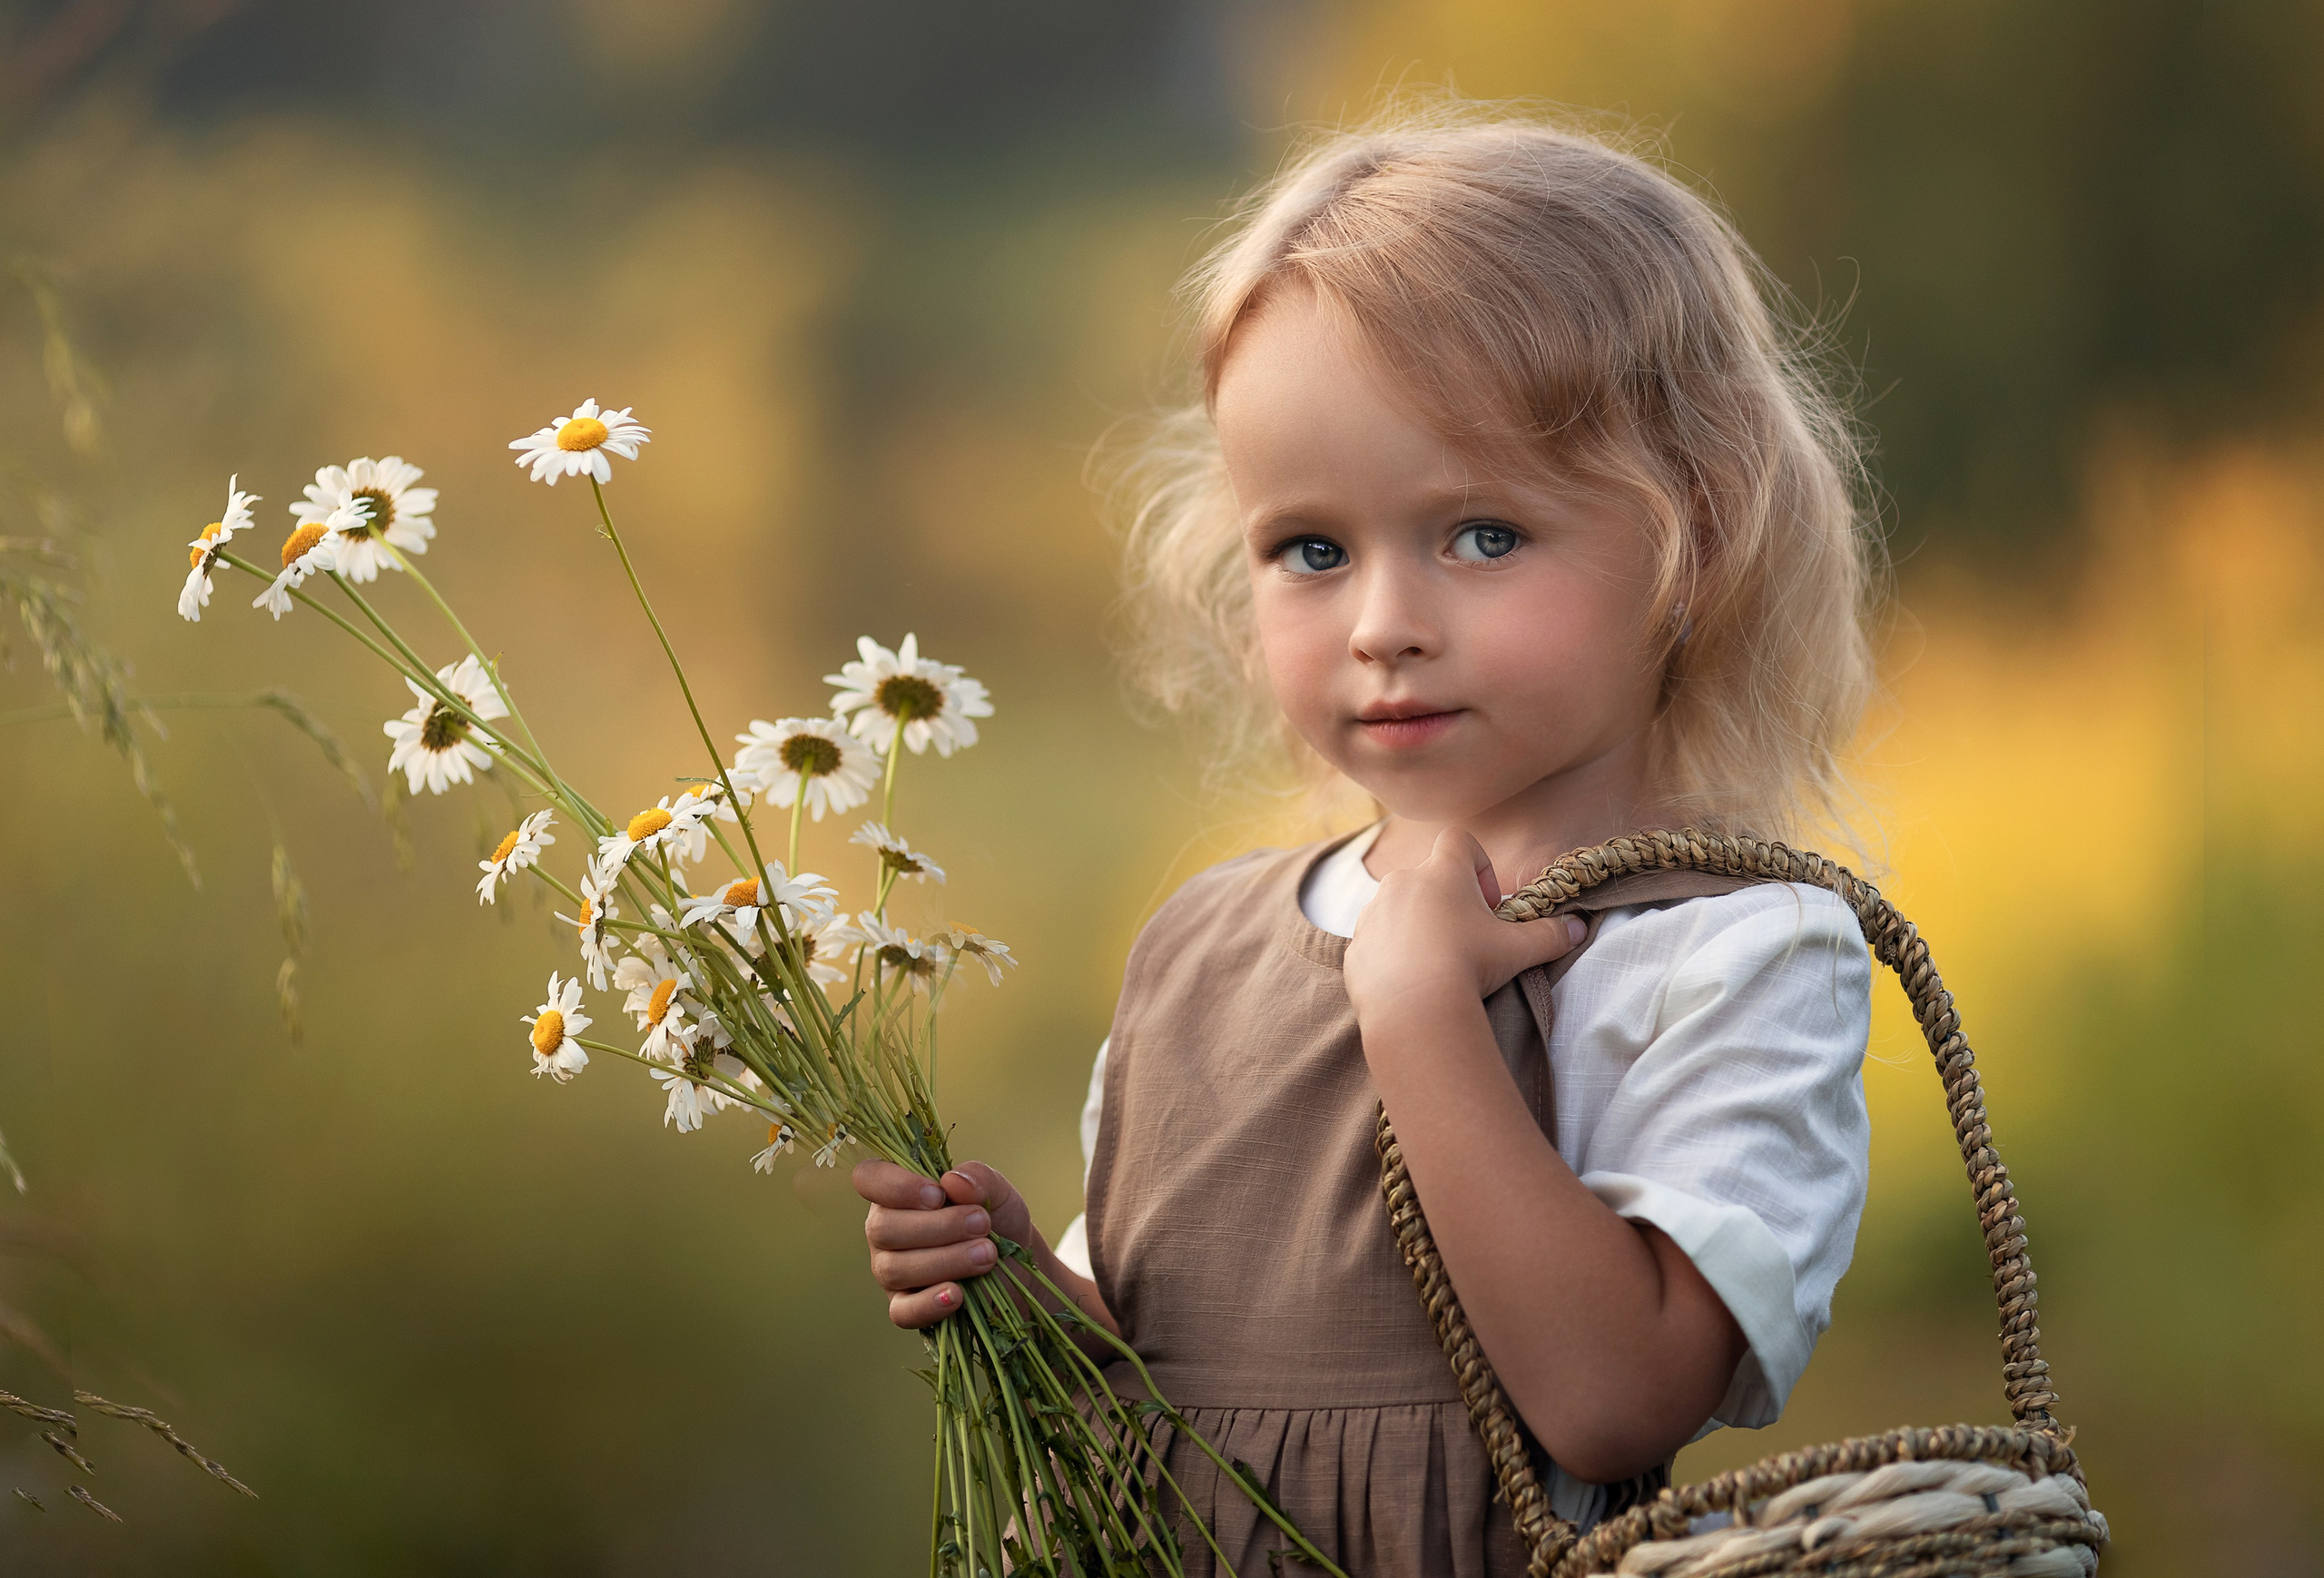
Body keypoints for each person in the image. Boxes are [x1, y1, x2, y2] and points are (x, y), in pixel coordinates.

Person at [854, 102, 1878, 1577]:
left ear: (1691, 538)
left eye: (1481, 534)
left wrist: (1417, 1009)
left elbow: (1608, 1397)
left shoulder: (1727, 946)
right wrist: (1013, 1282)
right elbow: (1182, 1379)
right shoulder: (1204, 947)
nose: (1386, 623)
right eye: (1312, 550)